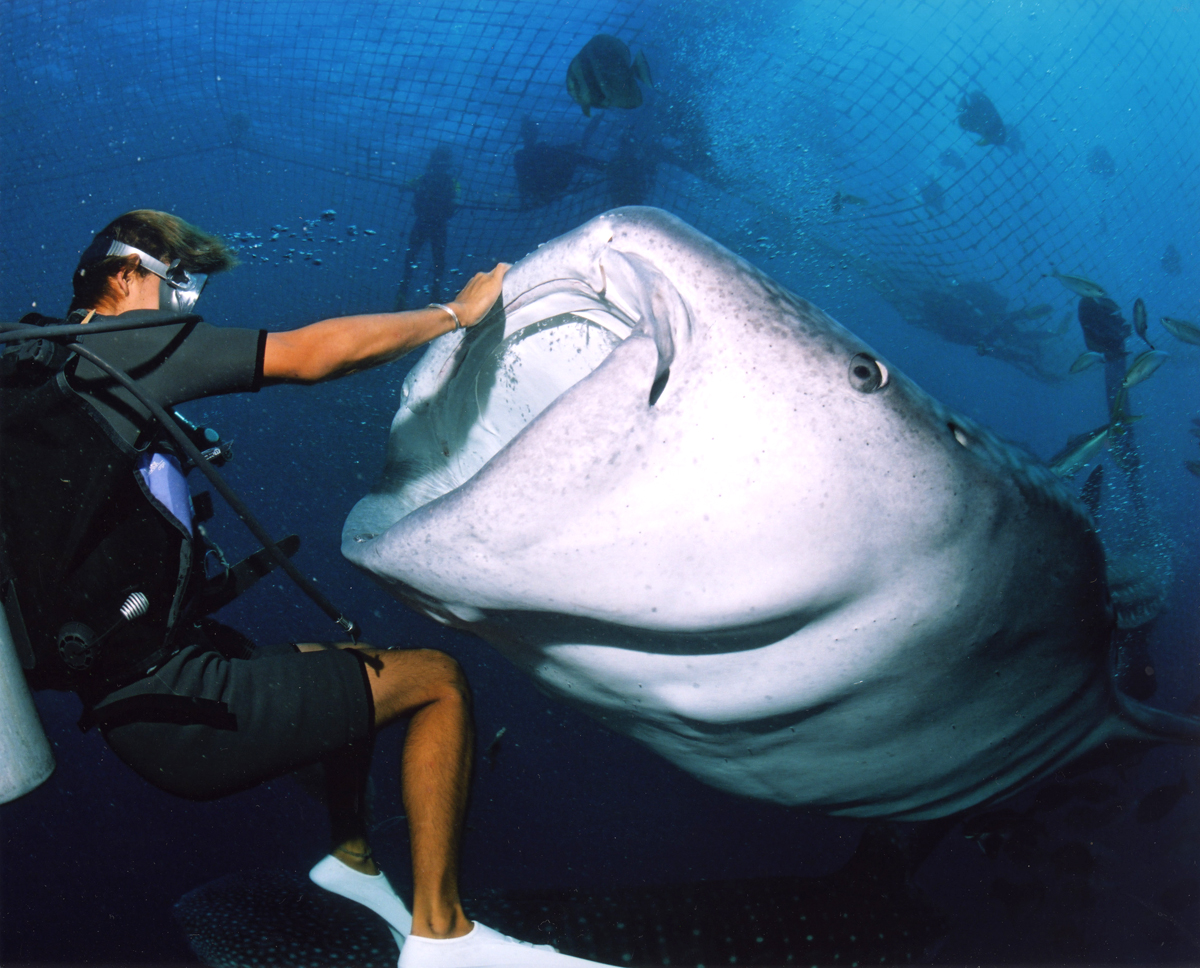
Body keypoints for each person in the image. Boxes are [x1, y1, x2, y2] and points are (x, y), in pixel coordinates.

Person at [0, 209, 612, 968]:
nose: (187, 309)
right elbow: (313, 354)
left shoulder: (28, 366)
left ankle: (351, 861)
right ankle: (443, 935)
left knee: (345, 660)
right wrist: (455, 313)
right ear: (124, 276)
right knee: (438, 683)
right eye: (178, 287)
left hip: (134, 697)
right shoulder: (123, 348)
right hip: (177, 705)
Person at [396, 146, 459, 310]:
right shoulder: (447, 181)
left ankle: (412, 290)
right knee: (429, 257)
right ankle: (433, 291)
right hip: (434, 223)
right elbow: (458, 200)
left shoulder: (425, 178)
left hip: (426, 223)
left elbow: (403, 187)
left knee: (418, 256)